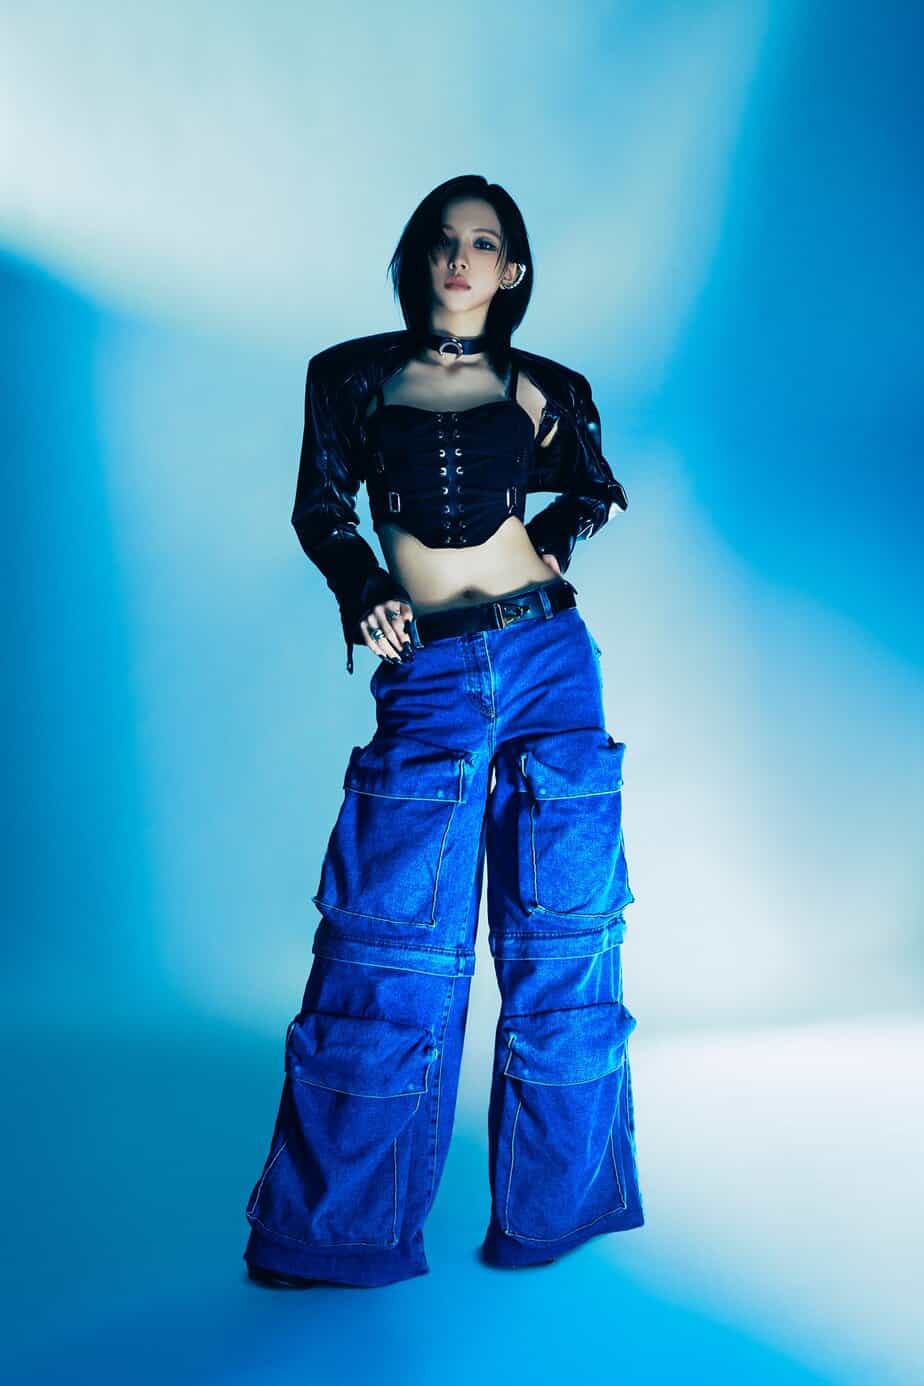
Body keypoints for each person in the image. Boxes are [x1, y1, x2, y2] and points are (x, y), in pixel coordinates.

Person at [243, 174, 643, 1290]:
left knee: (564, 935)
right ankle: (339, 1236)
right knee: (387, 940)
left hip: (548, 657)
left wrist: (558, 537)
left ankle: (556, 1213)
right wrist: (361, 585)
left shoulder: (548, 386)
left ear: (512, 270)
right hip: (427, 667)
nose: (462, 258)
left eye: (485, 243)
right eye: (443, 240)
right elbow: (321, 507)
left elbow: (596, 486)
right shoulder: (351, 376)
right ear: (418, 258)